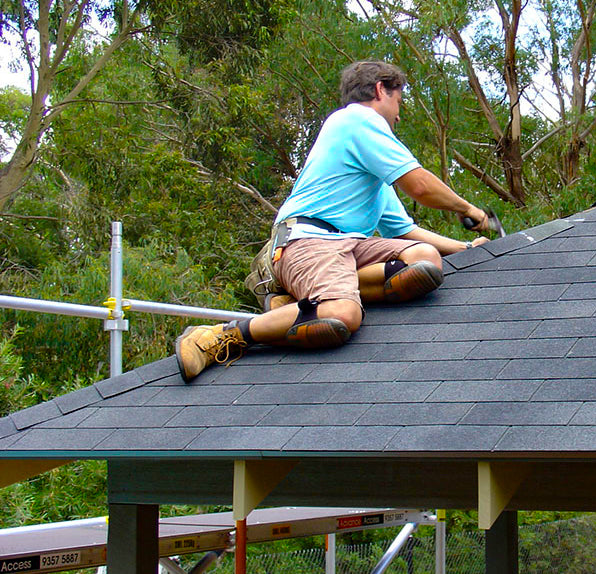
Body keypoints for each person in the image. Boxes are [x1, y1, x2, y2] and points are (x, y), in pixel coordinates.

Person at [175, 61, 491, 382]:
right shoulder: (356, 119)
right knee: (343, 315)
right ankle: (220, 336)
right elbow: (420, 186)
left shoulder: (370, 171)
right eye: (399, 101)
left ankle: (302, 302)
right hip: (309, 240)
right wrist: (471, 211)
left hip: (349, 246)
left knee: (423, 257)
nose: (399, 114)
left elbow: (405, 231)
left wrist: (468, 247)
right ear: (381, 89)